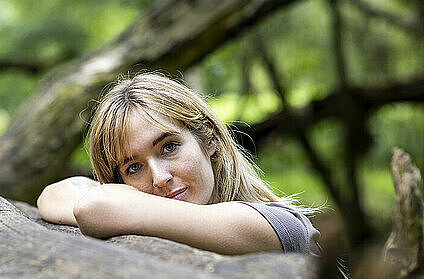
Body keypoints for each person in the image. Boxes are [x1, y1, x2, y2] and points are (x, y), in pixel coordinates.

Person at [37, 72, 320, 255]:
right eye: (133, 167)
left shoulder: (278, 225)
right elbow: (53, 194)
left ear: (209, 139)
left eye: (168, 147)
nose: (159, 178)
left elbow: (93, 206)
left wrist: (109, 206)